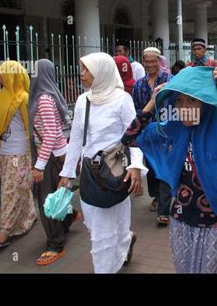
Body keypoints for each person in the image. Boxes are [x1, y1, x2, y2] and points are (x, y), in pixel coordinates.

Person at [122, 66, 217, 273]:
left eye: (192, 100)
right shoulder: (171, 129)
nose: (183, 107)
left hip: (215, 222)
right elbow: (129, 138)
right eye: (178, 100)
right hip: (181, 219)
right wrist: (151, 104)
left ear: (206, 103)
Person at [58, 52, 147, 273]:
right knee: (96, 225)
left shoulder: (122, 99)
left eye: (87, 69)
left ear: (102, 72)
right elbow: (76, 139)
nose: (82, 74)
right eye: (82, 68)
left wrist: (135, 166)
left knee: (106, 229)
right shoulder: (82, 101)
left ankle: (106, 267)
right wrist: (66, 173)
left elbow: (134, 134)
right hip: (91, 172)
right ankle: (126, 240)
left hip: (116, 171)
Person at [29, 59, 80, 266]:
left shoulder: (43, 99)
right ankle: (69, 216)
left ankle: (55, 244)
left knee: (45, 202)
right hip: (55, 155)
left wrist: (38, 166)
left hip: (50, 157)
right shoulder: (50, 95)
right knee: (56, 195)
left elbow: (49, 134)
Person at [0, 61, 37, 247]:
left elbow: (33, 126)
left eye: (1, 73)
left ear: (11, 76)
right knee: (20, 188)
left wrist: (39, 155)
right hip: (4, 154)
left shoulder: (24, 98)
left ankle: (5, 231)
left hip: (20, 154)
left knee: (10, 191)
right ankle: (29, 217)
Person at [132, 47, 173, 225]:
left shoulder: (169, 81)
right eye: (146, 61)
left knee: (164, 169)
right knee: (152, 168)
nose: (149, 64)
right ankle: (156, 196)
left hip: (166, 133)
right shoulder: (138, 84)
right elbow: (136, 109)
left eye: (153, 61)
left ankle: (164, 210)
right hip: (148, 134)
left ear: (159, 61)